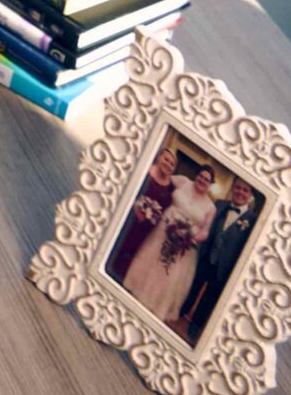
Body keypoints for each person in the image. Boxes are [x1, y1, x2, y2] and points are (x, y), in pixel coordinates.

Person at [123, 162, 219, 331]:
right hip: (162, 231)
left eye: (207, 179)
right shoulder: (182, 181)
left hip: (183, 244)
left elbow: (205, 231)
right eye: (200, 176)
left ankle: (155, 306)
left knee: (168, 275)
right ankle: (136, 292)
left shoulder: (211, 207)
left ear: (211, 184)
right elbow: (164, 179)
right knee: (152, 262)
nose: (202, 180)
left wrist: (191, 239)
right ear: (196, 175)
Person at [177, 179, 258, 336]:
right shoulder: (220, 204)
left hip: (225, 266)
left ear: (250, 195)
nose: (240, 192)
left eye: (245, 190)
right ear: (233, 189)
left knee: (209, 298)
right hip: (206, 257)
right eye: (238, 188)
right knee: (193, 287)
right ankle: (181, 311)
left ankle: (195, 326)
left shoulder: (253, 220)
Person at [109, 144, 181, 283]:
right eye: (166, 160)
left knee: (131, 254)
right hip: (128, 218)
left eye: (172, 164)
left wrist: (151, 216)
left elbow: (164, 209)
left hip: (146, 228)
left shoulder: (171, 188)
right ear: (159, 157)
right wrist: (135, 208)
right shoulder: (145, 170)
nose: (168, 165)